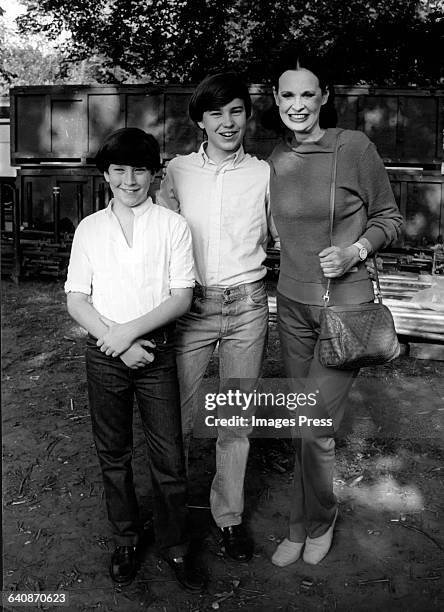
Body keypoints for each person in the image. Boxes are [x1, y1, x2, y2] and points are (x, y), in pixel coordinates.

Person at [267, 48, 403, 566]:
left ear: (324, 99)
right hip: (292, 306)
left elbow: (390, 218)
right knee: (298, 422)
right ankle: (304, 521)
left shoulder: (353, 148)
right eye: (288, 95)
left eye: (308, 94)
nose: (298, 104)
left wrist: (355, 250)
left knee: (314, 427)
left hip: (343, 309)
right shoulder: (278, 157)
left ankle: (313, 523)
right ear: (276, 101)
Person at [64, 128, 205, 591]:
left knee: (168, 456)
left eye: (140, 169)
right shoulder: (90, 228)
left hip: (157, 354)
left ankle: (177, 546)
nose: (130, 180)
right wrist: (118, 340)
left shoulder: (172, 226)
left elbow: (181, 297)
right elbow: (76, 299)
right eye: (119, 170)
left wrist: (131, 334)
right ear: (106, 175)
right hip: (106, 356)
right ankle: (126, 539)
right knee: (114, 454)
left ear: (154, 173)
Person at [157, 72, 279, 562]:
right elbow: (157, 236)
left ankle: (227, 517)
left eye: (235, 111)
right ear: (199, 121)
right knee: (178, 417)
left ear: (247, 117)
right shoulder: (177, 171)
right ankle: (174, 516)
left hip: (248, 306)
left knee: (234, 421)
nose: (227, 122)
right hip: (192, 307)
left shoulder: (265, 173)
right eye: (215, 113)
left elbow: (280, 235)